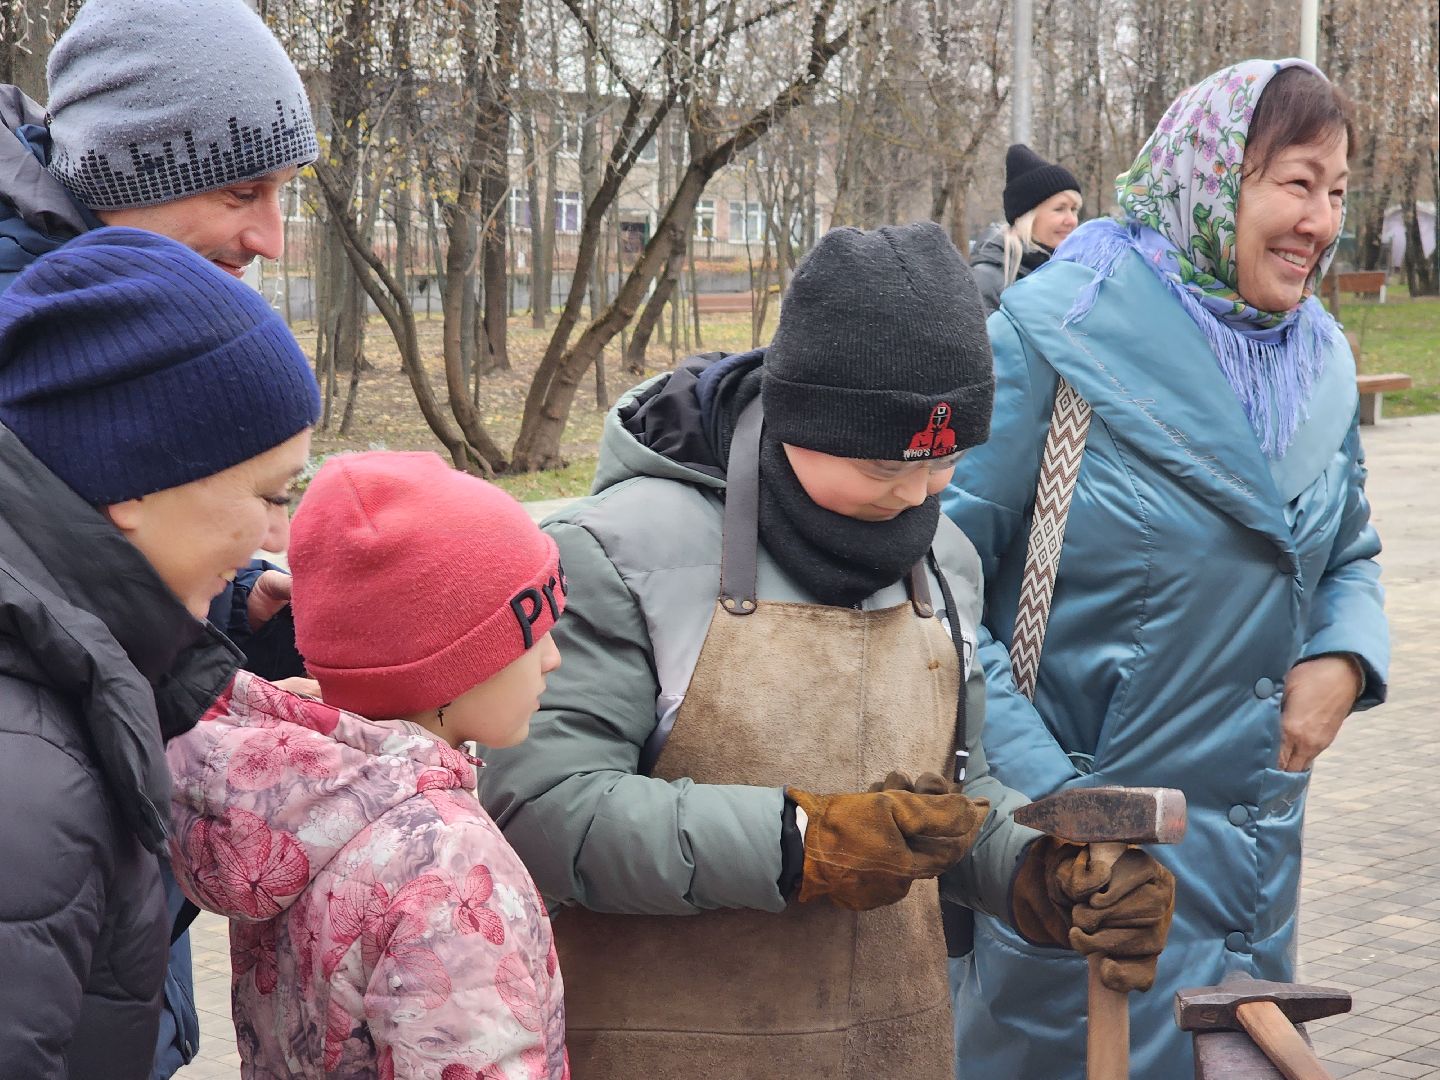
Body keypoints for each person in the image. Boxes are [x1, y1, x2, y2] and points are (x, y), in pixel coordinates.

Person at [476, 221, 1175, 1077]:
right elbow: (546, 810)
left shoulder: (944, 561)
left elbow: (957, 791)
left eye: (945, 460)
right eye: (886, 466)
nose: (916, 494)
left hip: (897, 1046)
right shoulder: (621, 553)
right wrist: (799, 841)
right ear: (802, 417)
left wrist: (1036, 872)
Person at [944, 59, 1388, 1079]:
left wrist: (1345, 659)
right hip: (1080, 880)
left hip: (1250, 871)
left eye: (1337, 192)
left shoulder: (1318, 360)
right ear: (1210, 177)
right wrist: (1065, 809)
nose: (1320, 220)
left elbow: (1348, 550)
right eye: (1294, 183)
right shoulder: (1053, 340)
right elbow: (939, 598)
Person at [0, 5, 319, 1071]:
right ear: (120, 170)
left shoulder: (134, 302)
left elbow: (73, 566)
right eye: (243, 191)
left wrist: (230, 614)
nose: (270, 237)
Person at [166, 451, 570, 1079]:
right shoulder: (447, 866)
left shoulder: (293, 809)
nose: (553, 659)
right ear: (445, 667)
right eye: (529, 634)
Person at [970, 144, 1083, 314]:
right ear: (1026, 216)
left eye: (1074, 210)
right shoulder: (988, 280)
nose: (1071, 221)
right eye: (1060, 209)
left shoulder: (1078, 272)